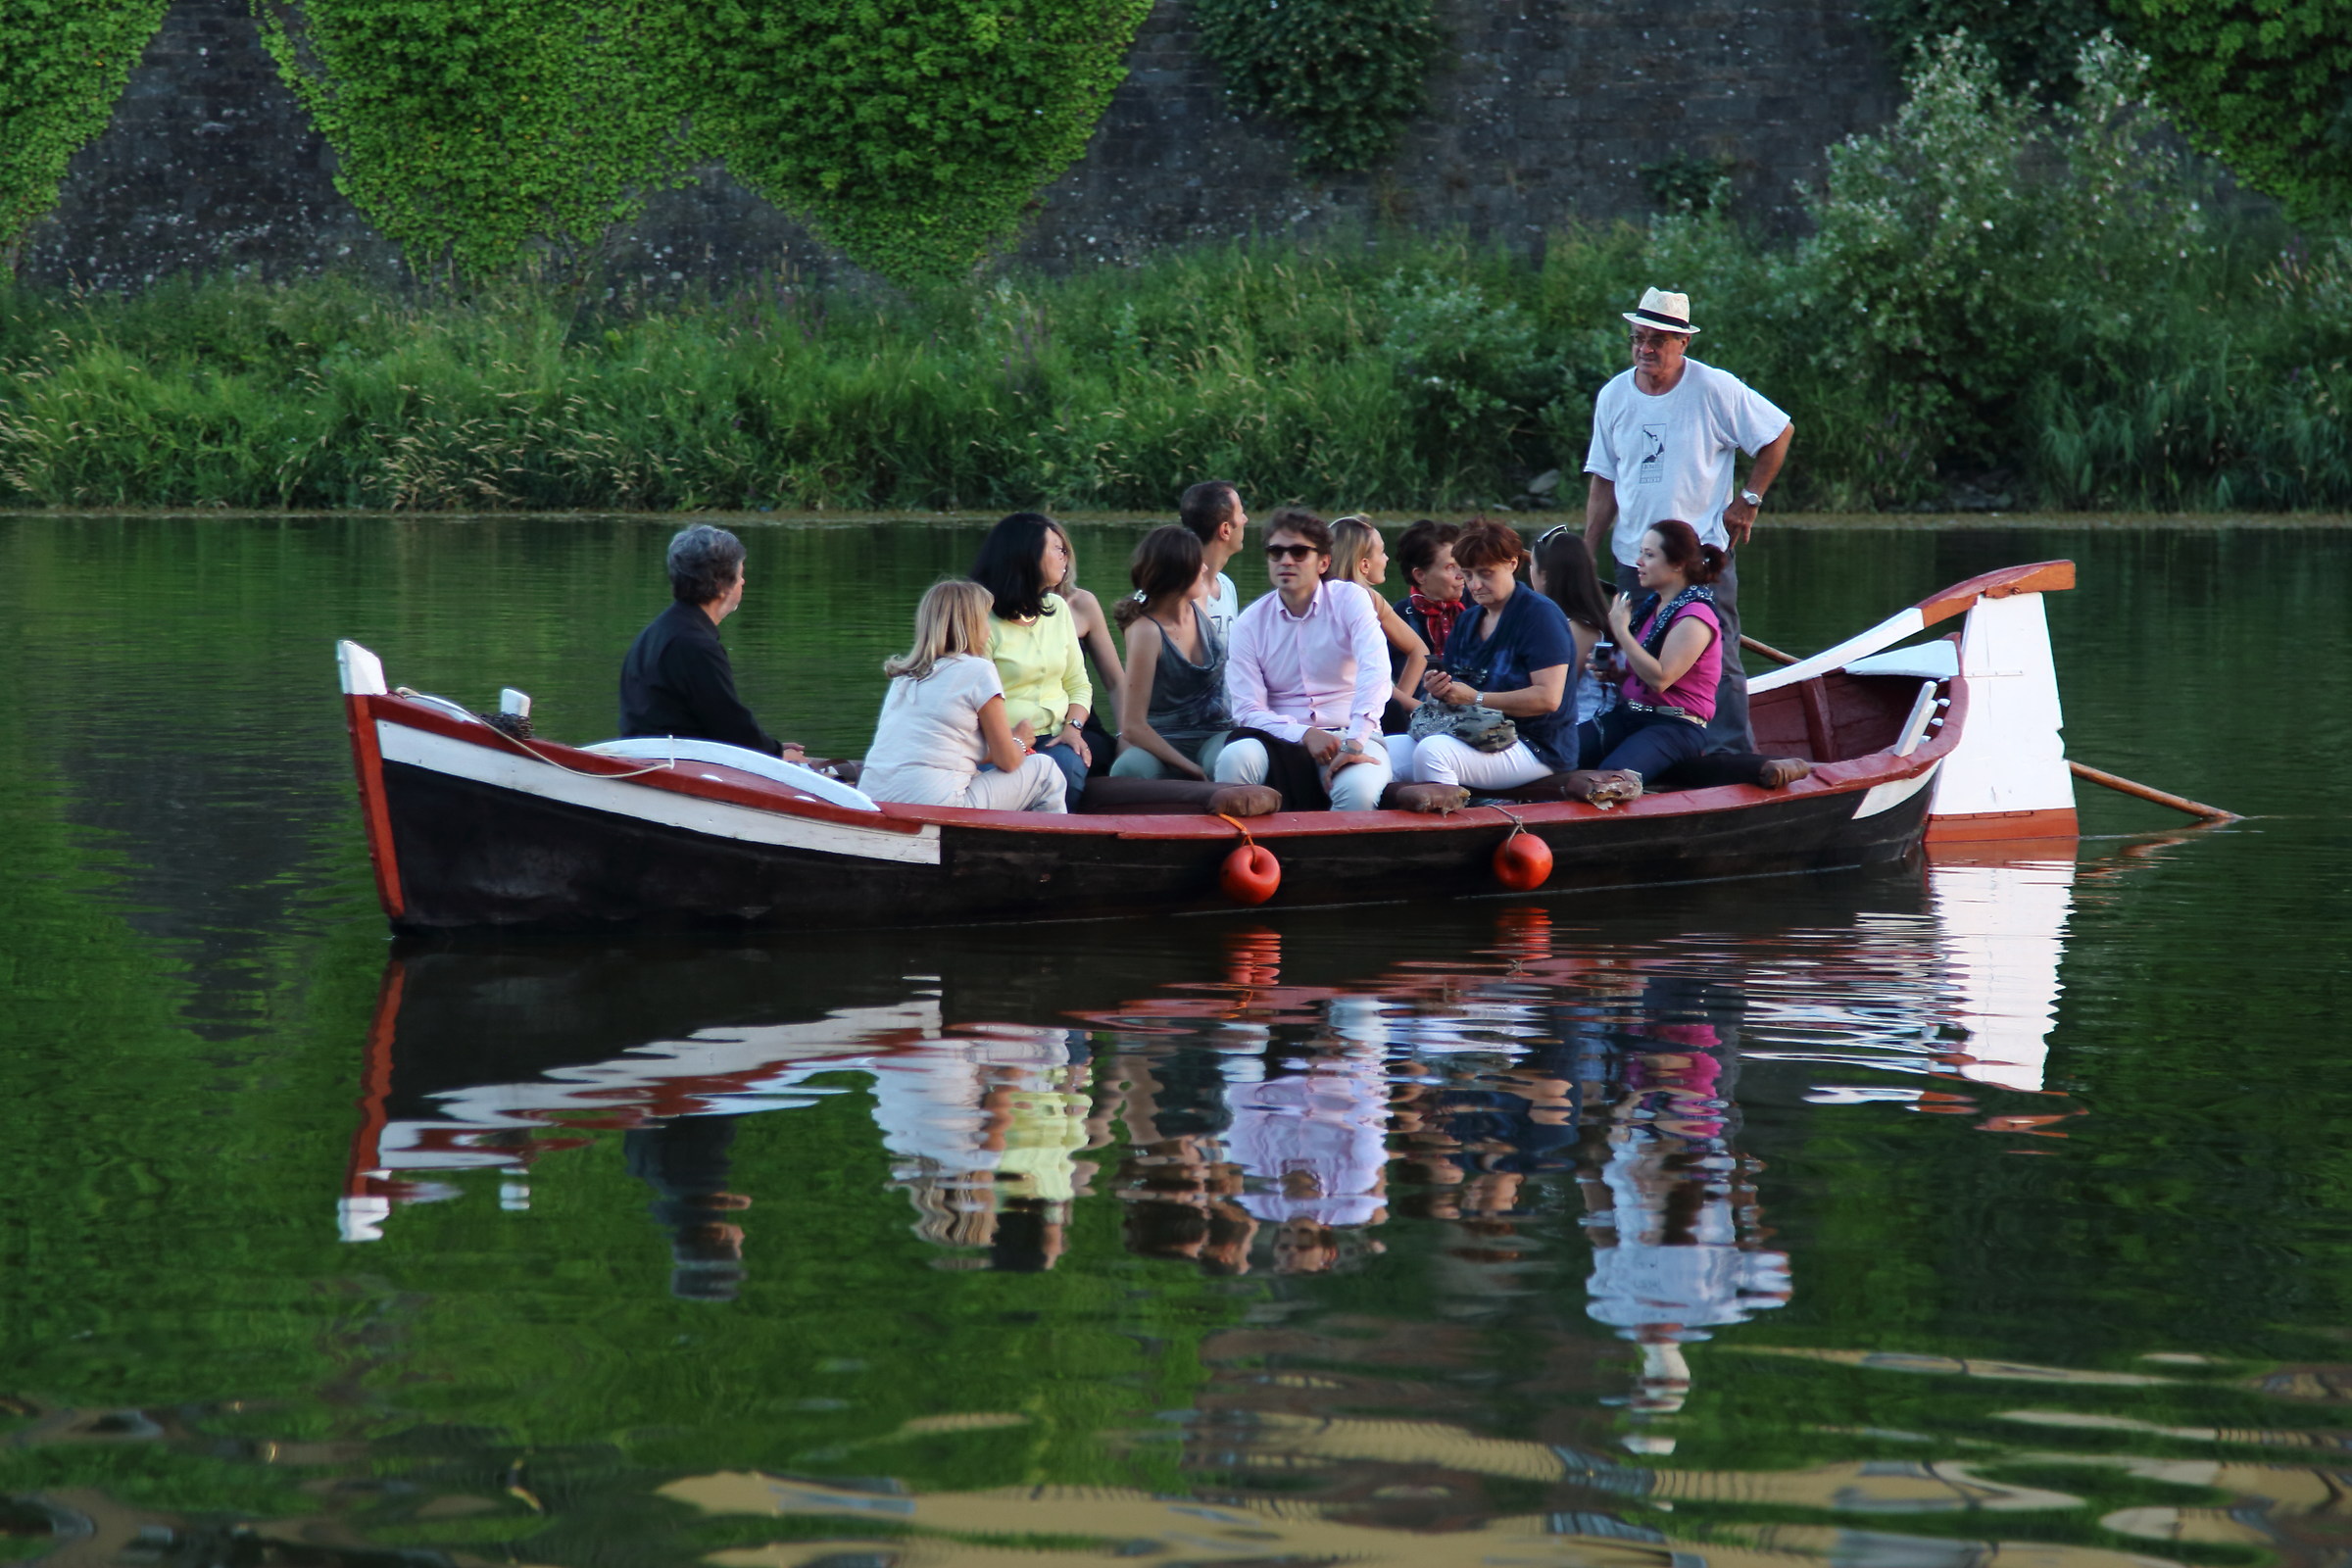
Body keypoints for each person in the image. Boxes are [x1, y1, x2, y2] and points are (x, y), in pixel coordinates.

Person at [1582, 287, 1793, 754]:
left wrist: (1749, 499)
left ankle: (1731, 756)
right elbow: (1604, 478)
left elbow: (1779, 432)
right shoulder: (1615, 395)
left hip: (1698, 557)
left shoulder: (1714, 388)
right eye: (1638, 338)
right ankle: (1647, 752)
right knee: (1629, 659)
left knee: (1721, 661)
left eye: (1657, 340)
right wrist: (1586, 545)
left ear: (1684, 343)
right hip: (1632, 558)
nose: (1645, 349)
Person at [1214, 510, 1396, 812]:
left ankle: (1328, 859)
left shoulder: (1350, 599)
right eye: (1276, 552)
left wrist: (1354, 741)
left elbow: (1376, 671)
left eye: (1299, 552)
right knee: (1235, 758)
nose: (1286, 560)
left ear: (1323, 562)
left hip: (1351, 733)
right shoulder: (1249, 623)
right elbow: (1247, 709)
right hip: (1278, 738)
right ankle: (1247, 852)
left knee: (1358, 792)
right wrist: (1304, 734)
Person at [1393, 519, 1579, 795]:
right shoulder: (1468, 620)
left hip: (1535, 745)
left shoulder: (1540, 615)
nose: (1475, 585)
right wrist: (1441, 690)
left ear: (1512, 564)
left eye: (1486, 573)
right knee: (1384, 749)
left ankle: (1451, 829)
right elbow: (1458, 692)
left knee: (1433, 752)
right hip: (1472, 732)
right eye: (1467, 575)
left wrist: (1473, 697)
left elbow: (1548, 699)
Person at [861, 579, 1068, 812]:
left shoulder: (904, 679)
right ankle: (1053, 847)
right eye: (985, 619)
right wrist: (1020, 741)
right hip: (935, 805)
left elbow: (941, 750)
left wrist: (1007, 744)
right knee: (1045, 769)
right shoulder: (978, 671)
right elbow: (1008, 761)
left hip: (873, 800)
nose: (989, 629)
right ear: (970, 625)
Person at [619, 523, 805, 759]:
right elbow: (730, 726)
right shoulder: (695, 644)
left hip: (644, 759)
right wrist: (777, 754)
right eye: (740, 574)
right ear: (721, 585)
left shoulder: (655, 633)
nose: (743, 582)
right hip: (674, 768)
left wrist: (771, 745)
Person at [1580, 519, 1725, 785]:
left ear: (1678, 563)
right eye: (1640, 553)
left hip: (1675, 727)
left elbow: (1660, 679)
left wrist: (1621, 630)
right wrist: (1619, 676)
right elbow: (1645, 675)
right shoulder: (1654, 607)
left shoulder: (1695, 617)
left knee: (1610, 780)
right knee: (1562, 753)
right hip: (1633, 715)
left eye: (1649, 555)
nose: (1638, 562)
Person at [969, 512, 1095, 807]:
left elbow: (1078, 684)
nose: (1065, 556)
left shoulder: (1058, 609)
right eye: (1057, 548)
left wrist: (1072, 728)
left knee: (1070, 765)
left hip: (1053, 738)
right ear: (1027, 555)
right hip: (994, 743)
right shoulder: (980, 619)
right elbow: (971, 700)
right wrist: (1011, 742)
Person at [1110, 526, 1232, 781]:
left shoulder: (1198, 603)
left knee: (1227, 762)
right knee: (1128, 770)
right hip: (1164, 740)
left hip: (1216, 733)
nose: (1206, 569)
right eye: (1199, 564)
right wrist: (1191, 769)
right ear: (1179, 573)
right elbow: (1133, 727)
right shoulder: (1146, 632)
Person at [1327, 515, 1428, 732]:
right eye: (1382, 552)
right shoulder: (1360, 599)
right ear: (1364, 565)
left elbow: (1418, 651)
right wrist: (1408, 705)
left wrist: (1397, 704)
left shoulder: (1372, 599)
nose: (1387, 558)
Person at [1043, 518, 1123, 776]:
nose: (1062, 557)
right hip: (1026, 726)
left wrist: (1126, 739)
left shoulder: (1081, 603)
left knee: (1095, 754)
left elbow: (1115, 682)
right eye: (1054, 549)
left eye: (1063, 549)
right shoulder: (995, 606)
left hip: (1079, 723)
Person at [1529, 525, 1615, 727]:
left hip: (1583, 726)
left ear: (1546, 575)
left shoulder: (1578, 629)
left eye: (1531, 565)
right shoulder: (1559, 622)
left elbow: (1556, 691)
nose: (1529, 572)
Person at [1178, 479, 1249, 644]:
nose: (1245, 519)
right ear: (1225, 530)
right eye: (1241, 513)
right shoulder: (1177, 590)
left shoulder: (1226, 585)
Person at [1394, 518, 1466, 666]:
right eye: (1450, 567)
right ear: (1420, 575)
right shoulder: (1398, 618)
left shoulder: (1480, 607)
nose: (1462, 574)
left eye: (1463, 563)